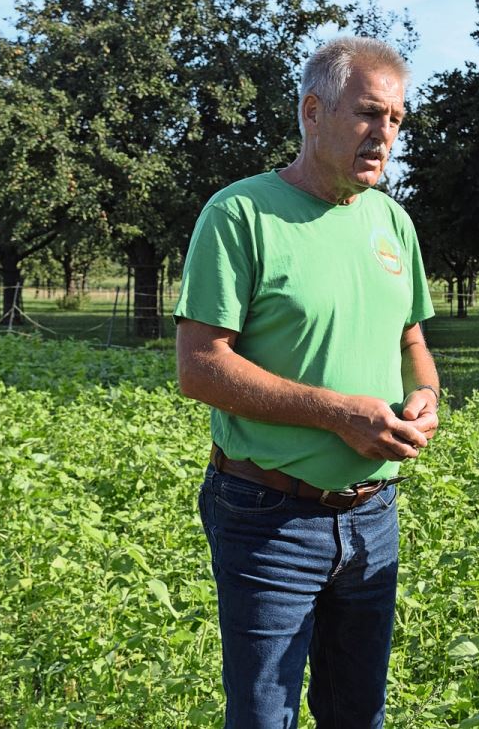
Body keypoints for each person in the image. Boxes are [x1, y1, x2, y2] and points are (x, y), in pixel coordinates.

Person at [174, 36, 438, 728]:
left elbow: (413, 340)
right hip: (269, 515)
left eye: (397, 120)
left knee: (359, 714)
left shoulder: (391, 223)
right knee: (265, 716)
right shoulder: (240, 215)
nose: (384, 134)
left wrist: (428, 398)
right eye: (368, 113)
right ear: (313, 111)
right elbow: (199, 365)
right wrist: (332, 413)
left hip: (373, 516)